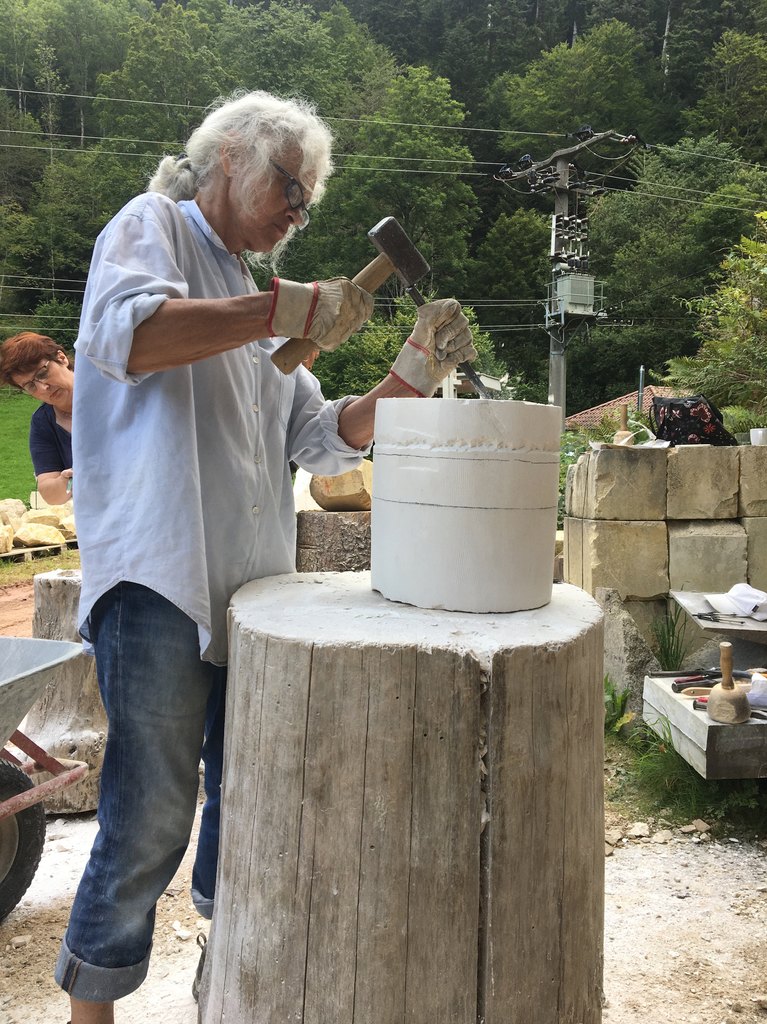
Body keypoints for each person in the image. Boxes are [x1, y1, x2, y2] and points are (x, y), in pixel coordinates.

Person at [56, 88, 476, 1024]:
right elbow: (128, 336)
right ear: (231, 157)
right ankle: (92, 1012)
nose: (297, 211)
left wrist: (411, 373)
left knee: (249, 804)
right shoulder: (153, 227)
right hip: (159, 583)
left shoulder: (256, 300)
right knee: (149, 816)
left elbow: (322, 439)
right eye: (290, 186)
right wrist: (282, 308)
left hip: (252, 592)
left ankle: (232, 985)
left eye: (307, 201)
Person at [0, 332, 74, 504]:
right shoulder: (43, 422)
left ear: (61, 358)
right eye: (30, 386)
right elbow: (50, 494)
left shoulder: (111, 388)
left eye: (42, 373)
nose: (43, 387)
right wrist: (69, 479)